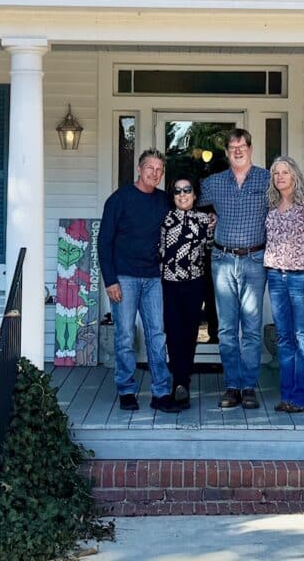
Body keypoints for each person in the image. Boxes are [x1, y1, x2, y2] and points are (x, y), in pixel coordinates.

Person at [200, 129, 304, 410]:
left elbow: (294, 184)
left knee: (253, 329)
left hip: (256, 261)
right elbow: (187, 199)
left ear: (250, 149)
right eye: (232, 147)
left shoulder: (265, 179)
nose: (238, 151)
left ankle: (249, 387)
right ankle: (232, 386)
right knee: (228, 329)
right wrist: (207, 216)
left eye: (242, 146)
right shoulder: (214, 183)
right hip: (222, 260)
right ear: (227, 152)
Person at [98, 150, 180, 413]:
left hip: (153, 278)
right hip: (124, 277)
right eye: (150, 168)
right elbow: (104, 243)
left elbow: (179, 225)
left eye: (159, 170)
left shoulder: (164, 201)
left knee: (157, 335)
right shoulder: (119, 200)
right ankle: (126, 390)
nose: (154, 174)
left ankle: (161, 392)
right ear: (139, 169)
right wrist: (110, 280)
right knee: (124, 336)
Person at [263, 155, 304, 413]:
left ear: (294, 175)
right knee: (284, 338)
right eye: (276, 173)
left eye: (285, 172)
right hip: (276, 277)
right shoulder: (272, 206)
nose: (280, 177)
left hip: (301, 277)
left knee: (303, 338)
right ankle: (287, 396)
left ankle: (301, 398)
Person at [157, 175, 215, 408]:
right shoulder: (164, 218)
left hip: (194, 283)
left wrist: (213, 221)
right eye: (177, 191)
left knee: (190, 333)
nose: (182, 194)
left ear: (194, 194)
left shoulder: (205, 220)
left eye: (187, 190)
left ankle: (183, 382)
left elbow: (210, 248)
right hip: (168, 283)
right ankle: (177, 380)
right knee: (173, 331)